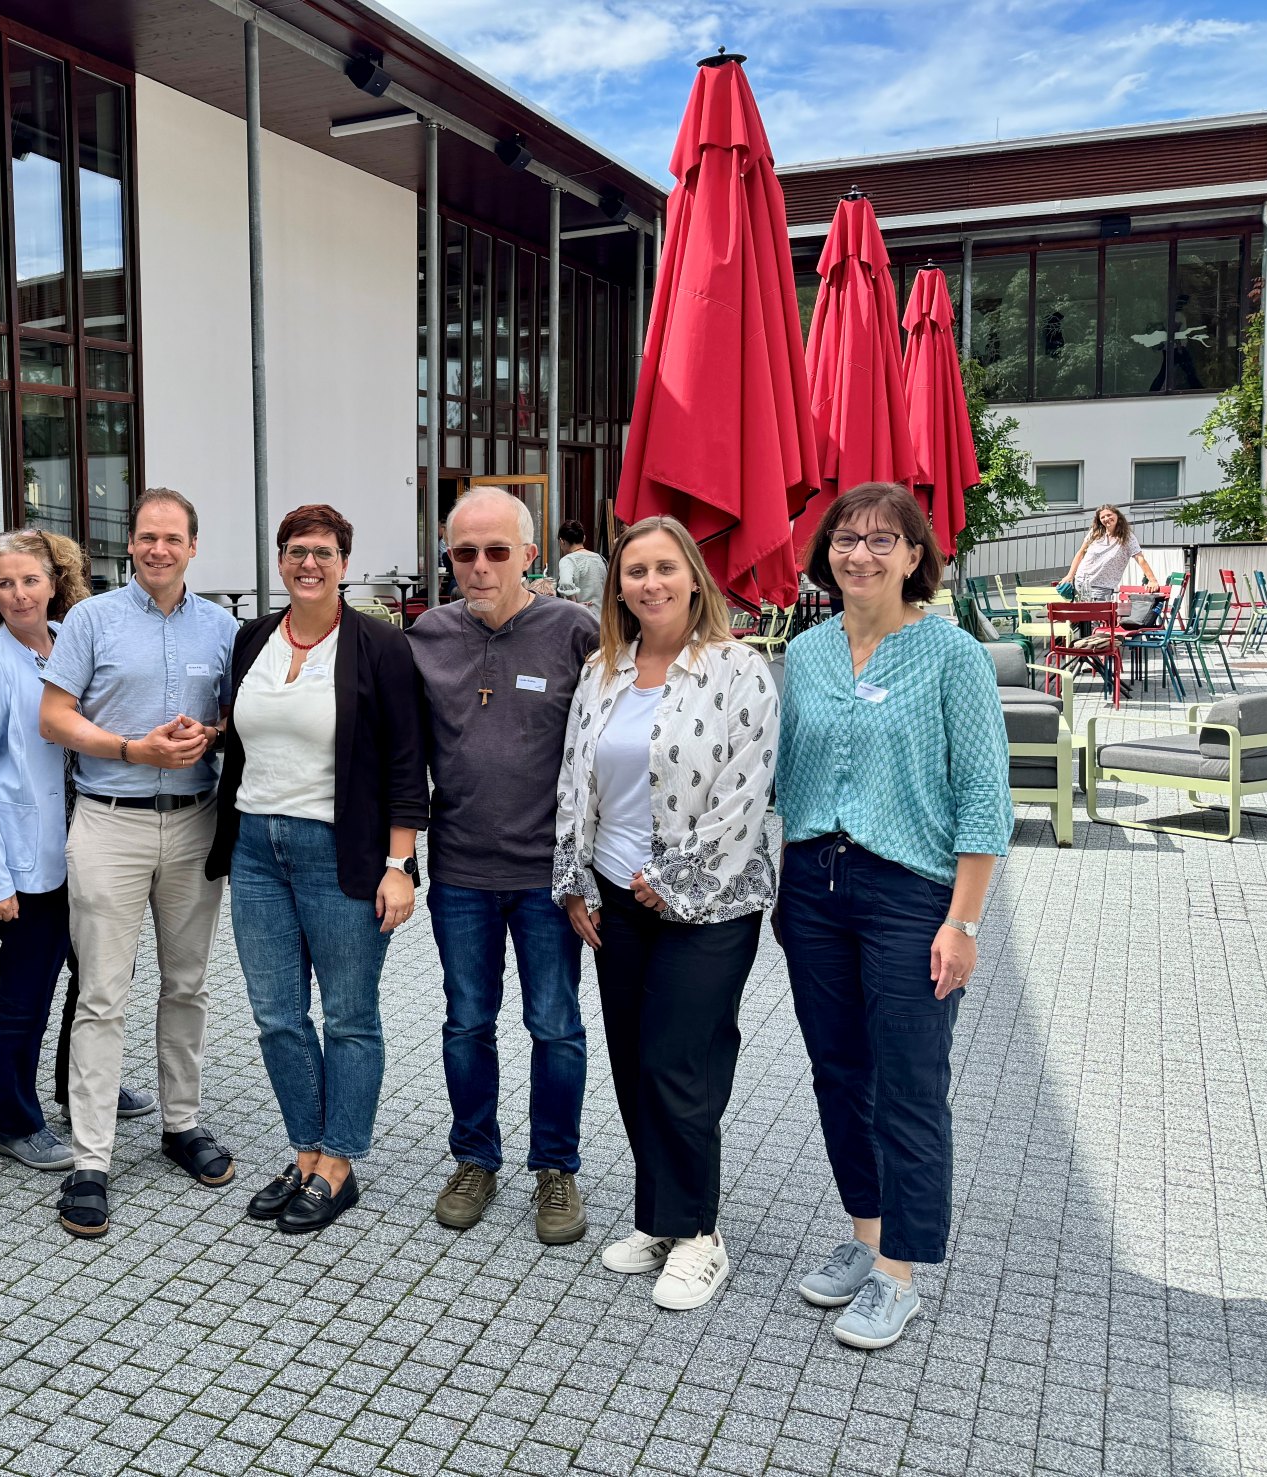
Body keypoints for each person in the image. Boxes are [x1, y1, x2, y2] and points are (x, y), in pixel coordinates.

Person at [775, 481, 1010, 1350]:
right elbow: (778, 776)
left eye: (883, 540)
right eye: (845, 537)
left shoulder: (953, 656)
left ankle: (901, 1273)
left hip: (910, 894)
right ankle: (865, 1235)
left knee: (909, 1083)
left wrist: (966, 921)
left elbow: (987, 799)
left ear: (917, 557)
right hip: (813, 888)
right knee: (839, 1072)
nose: (860, 553)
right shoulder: (805, 653)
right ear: (824, 552)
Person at [553, 516, 778, 1309]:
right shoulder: (603, 668)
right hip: (615, 893)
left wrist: (673, 879)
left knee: (680, 1063)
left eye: (664, 567)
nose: (649, 583)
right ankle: (662, 1214)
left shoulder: (736, 668)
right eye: (635, 570)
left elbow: (746, 795)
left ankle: (702, 1234)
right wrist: (575, 878)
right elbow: (574, 780)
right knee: (631, 1058)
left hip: (708, 904)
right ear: (617, 585)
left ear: (693, 576)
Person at [206, 504, 428, 1234]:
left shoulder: (380, 646)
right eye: (297, 551)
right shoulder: (253, 639)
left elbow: (406, 761)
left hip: (344, 852)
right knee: (275, 1015)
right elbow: (243, 735)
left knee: (348, 1015)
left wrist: (401, 864)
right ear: (280, 559)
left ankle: (339, 1163)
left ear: (344, 561)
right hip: (256, 849)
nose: (310, 564)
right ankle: (304, 1152)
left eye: (325, 552)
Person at [38, 487, 240, 1239]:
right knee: (101, 994)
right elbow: (53, 716)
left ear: (194, 545)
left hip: (195, 822)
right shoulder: (90, 619)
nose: (158, 548)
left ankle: (181, 1123)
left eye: (172, 538)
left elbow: (234, 722)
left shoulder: (221, 628)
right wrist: (134, 749)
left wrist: (209, 734)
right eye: (146, 536)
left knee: (187, 985)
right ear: (131, 544)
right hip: (109, 823)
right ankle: (92, 1159)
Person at [407, 487, 599, 1245]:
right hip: (460, 872)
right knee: (466, 1021)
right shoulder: (426, 634)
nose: (480, 566)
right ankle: (475, 1158)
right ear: (447, 557)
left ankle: (556, 1166)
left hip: (549, 876)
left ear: (530, 553)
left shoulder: (576, 631)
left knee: (555, 1025)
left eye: (496, 551)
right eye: (464, 552)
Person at [0, 529, 94, 1173]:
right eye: (3, 583)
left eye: (31, 579)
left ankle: (82, 1086)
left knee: (95, 979)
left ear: (56, 581)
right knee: (26, 990)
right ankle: (10, 1117)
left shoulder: (68, 644)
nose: (18, 594)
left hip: (88, 846)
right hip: (28, 862)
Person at [1063, 504, 1156, 602]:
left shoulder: (1127, 537)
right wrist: (1070, 575)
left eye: (1109, 515)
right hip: (1080, 582)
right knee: (1080, 616)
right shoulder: (1094, 533)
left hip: (1102, 587)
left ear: (1117, 516)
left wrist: (1152, 580)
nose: (1106, 518)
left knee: (1096, 616)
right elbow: (1081, 553)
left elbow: (1140, 558)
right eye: (1102, 517)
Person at [555, 520, 609, 616]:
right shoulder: (601, 559)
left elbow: (565, 582)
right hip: (603, 619)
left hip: (582, 619)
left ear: (562, 541)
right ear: (584, 538)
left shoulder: (568, 560)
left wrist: (575, 605)